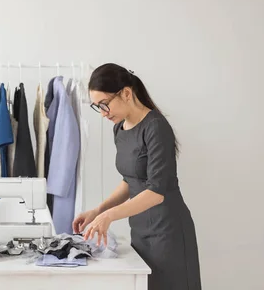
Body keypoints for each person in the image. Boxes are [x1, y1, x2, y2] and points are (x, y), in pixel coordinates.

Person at [73, 63, 201, 290]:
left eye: (105, 105)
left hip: (167, 231)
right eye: (97, 107)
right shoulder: (119, 129)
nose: (103, 113)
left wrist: (109, 216)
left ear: (126, 93)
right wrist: (98, 211)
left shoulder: (156, 127)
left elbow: (155, 192)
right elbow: (129, 180)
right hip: (140, 231)